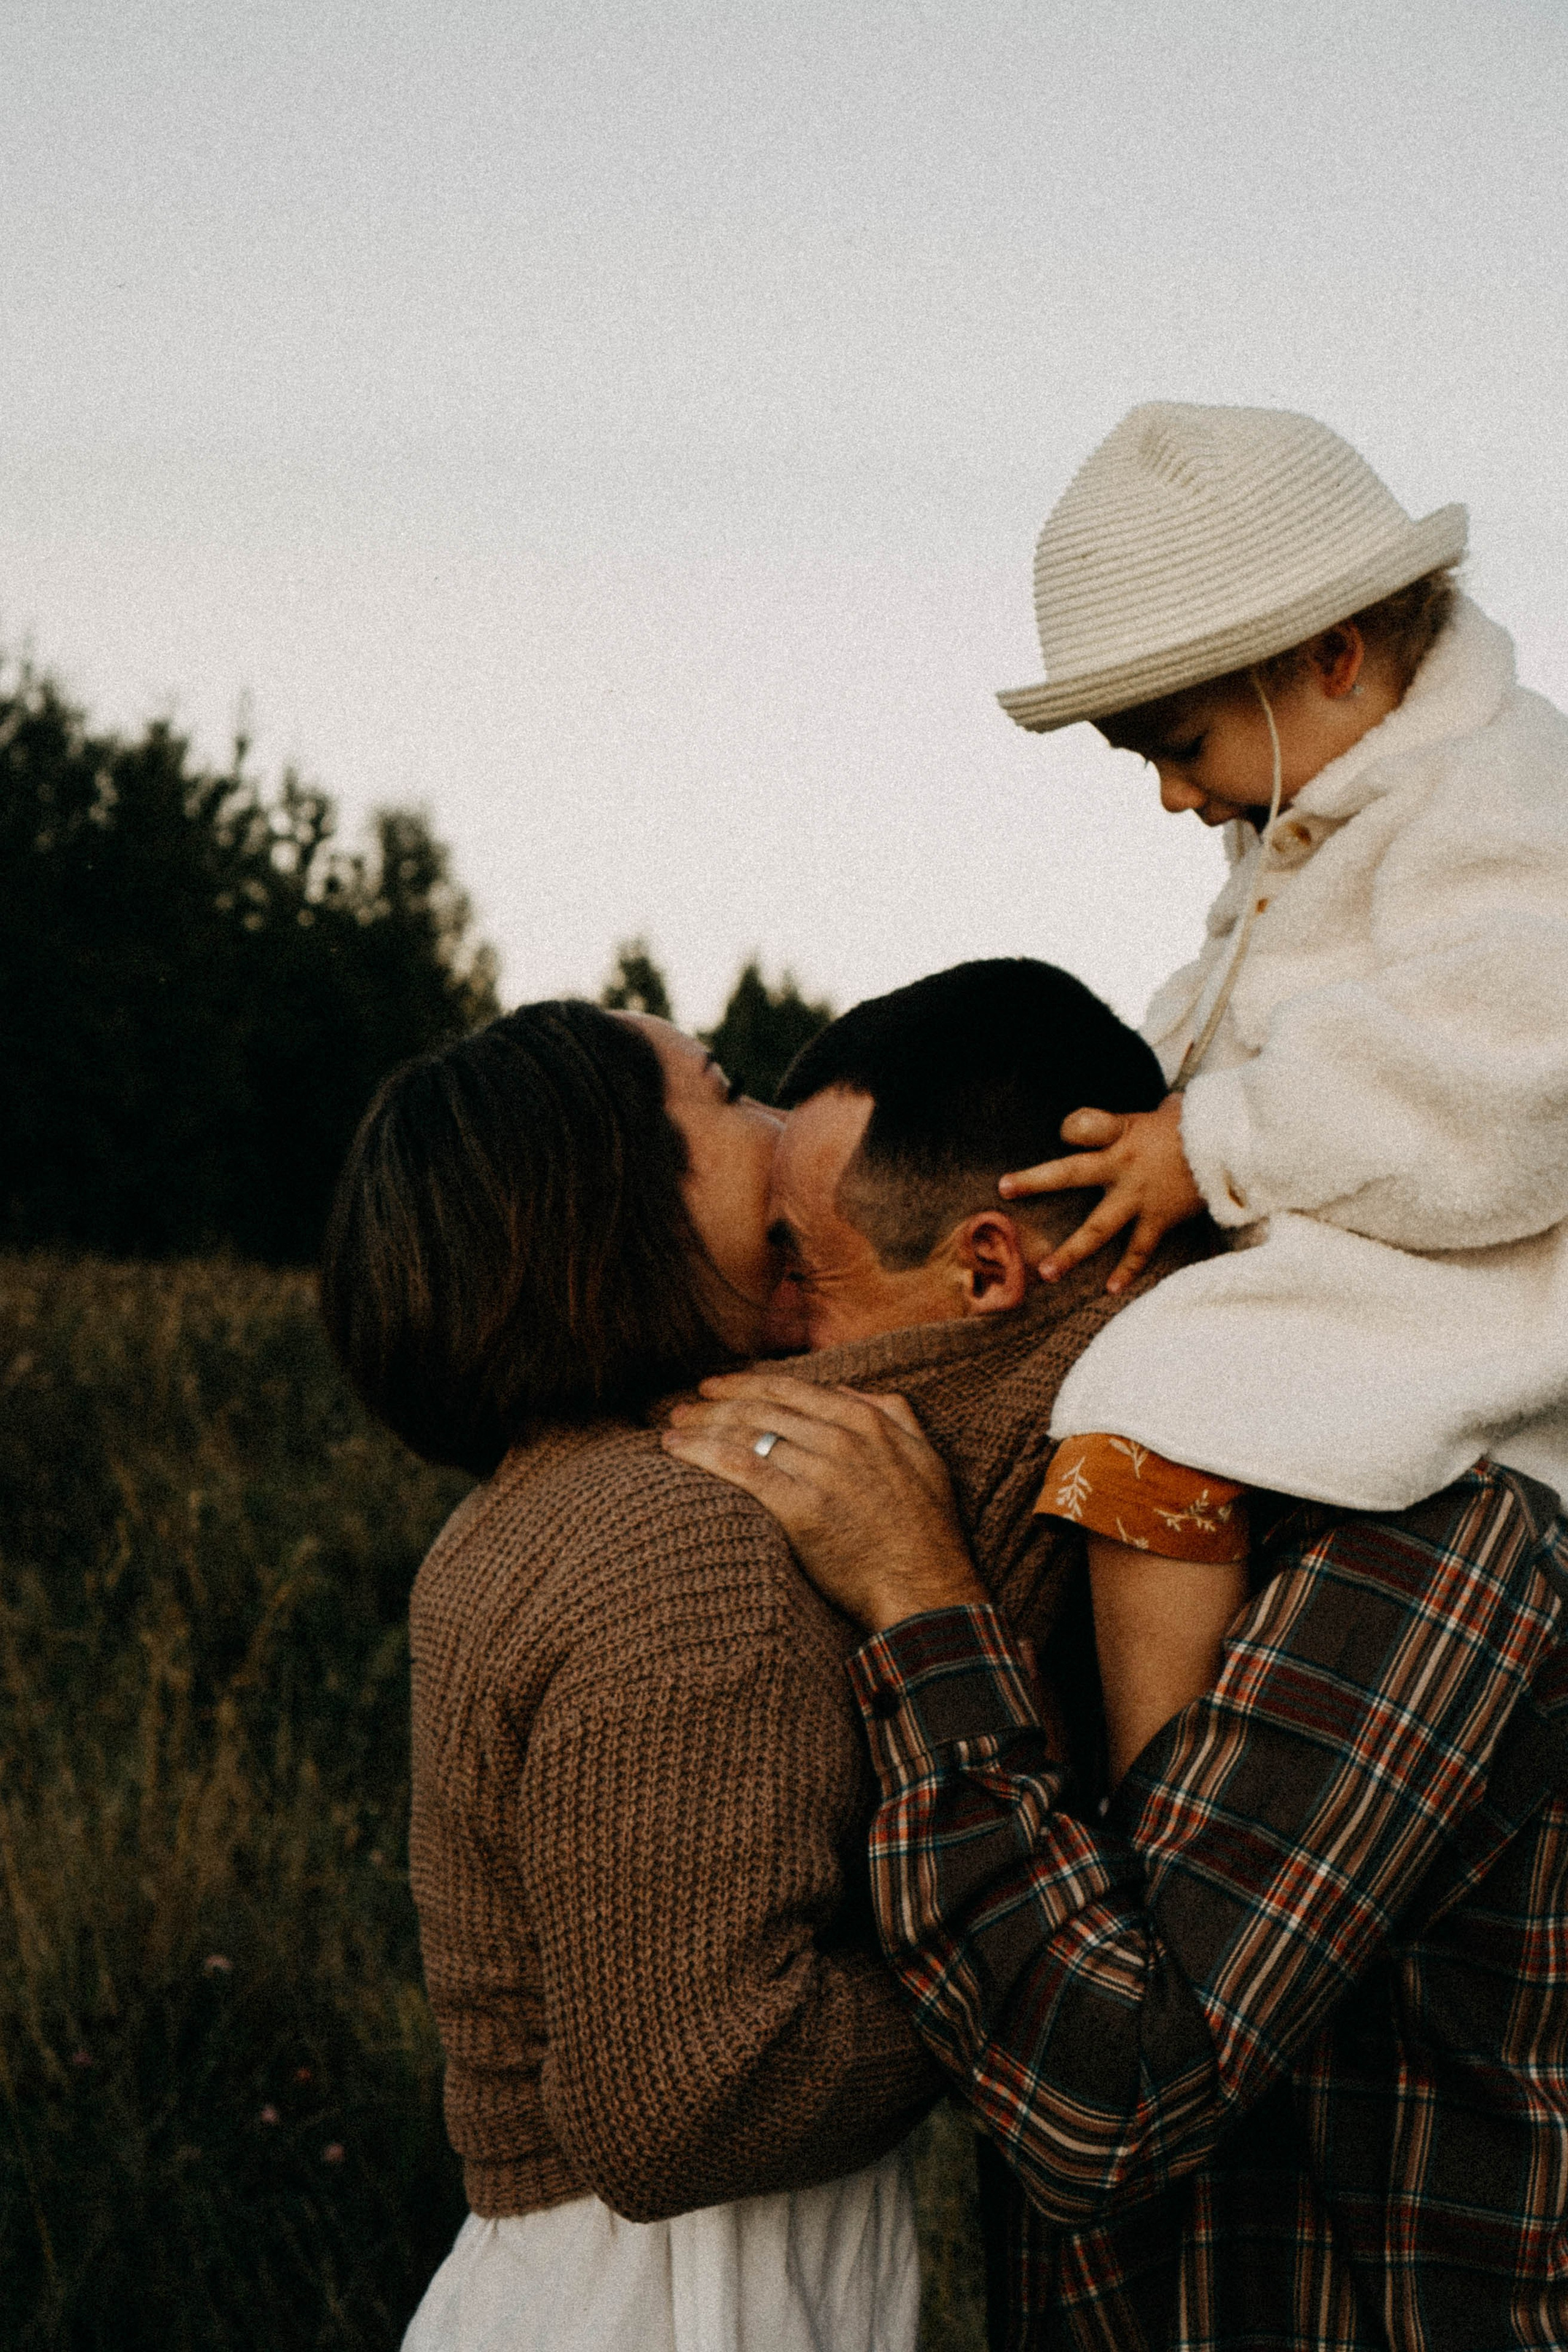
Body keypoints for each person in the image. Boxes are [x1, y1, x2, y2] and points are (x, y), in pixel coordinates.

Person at [318, 965, 1197, 2352]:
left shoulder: (552, 1499)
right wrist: (1006, 1972)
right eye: (722, 1089)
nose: (769, 1107)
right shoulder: (683, 1537)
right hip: (688, 2294)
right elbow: (685, 2106)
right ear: (623, 1210)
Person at [669, 1184, 1568, 2345]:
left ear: (992, 1269)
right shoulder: (1060, 1529)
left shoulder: (1433, 1546)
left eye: (807, 1271)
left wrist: (919, 1596)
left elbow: (1111, 2101)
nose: (776, 1336)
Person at [986, 402, 1568, 1583]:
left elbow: (1515, 1066)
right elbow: (1221, 1011)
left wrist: (1213, 1141)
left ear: (1334, 657)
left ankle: (1159, 1768)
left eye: (1184, 746)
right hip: (1359, 1282)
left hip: (1474, 1313)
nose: (1170, 797)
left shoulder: (1498, 791)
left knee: (1154, 1407)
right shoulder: (1309, 811)